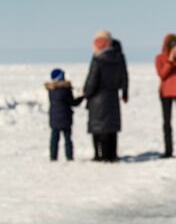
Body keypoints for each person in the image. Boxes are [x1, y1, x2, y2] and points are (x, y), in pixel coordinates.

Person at [83, 30, 127, 162]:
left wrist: (86, 93)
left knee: (98, 129)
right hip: (112, 97)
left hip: (97, 99)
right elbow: (124, 76)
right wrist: (125, 91)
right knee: (111, 128)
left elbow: (92, 80)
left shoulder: (98, 59)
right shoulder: (119, 57)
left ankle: (99, 154)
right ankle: (112, 154)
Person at [45, 68, 83, 161]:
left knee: (54, 139)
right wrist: (81, 97)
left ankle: (53, 157)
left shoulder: (51, 90)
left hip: (54, 118)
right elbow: (73, 102)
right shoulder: (65, 89)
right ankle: (69, 157)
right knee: (67, 139)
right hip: (65, 118)